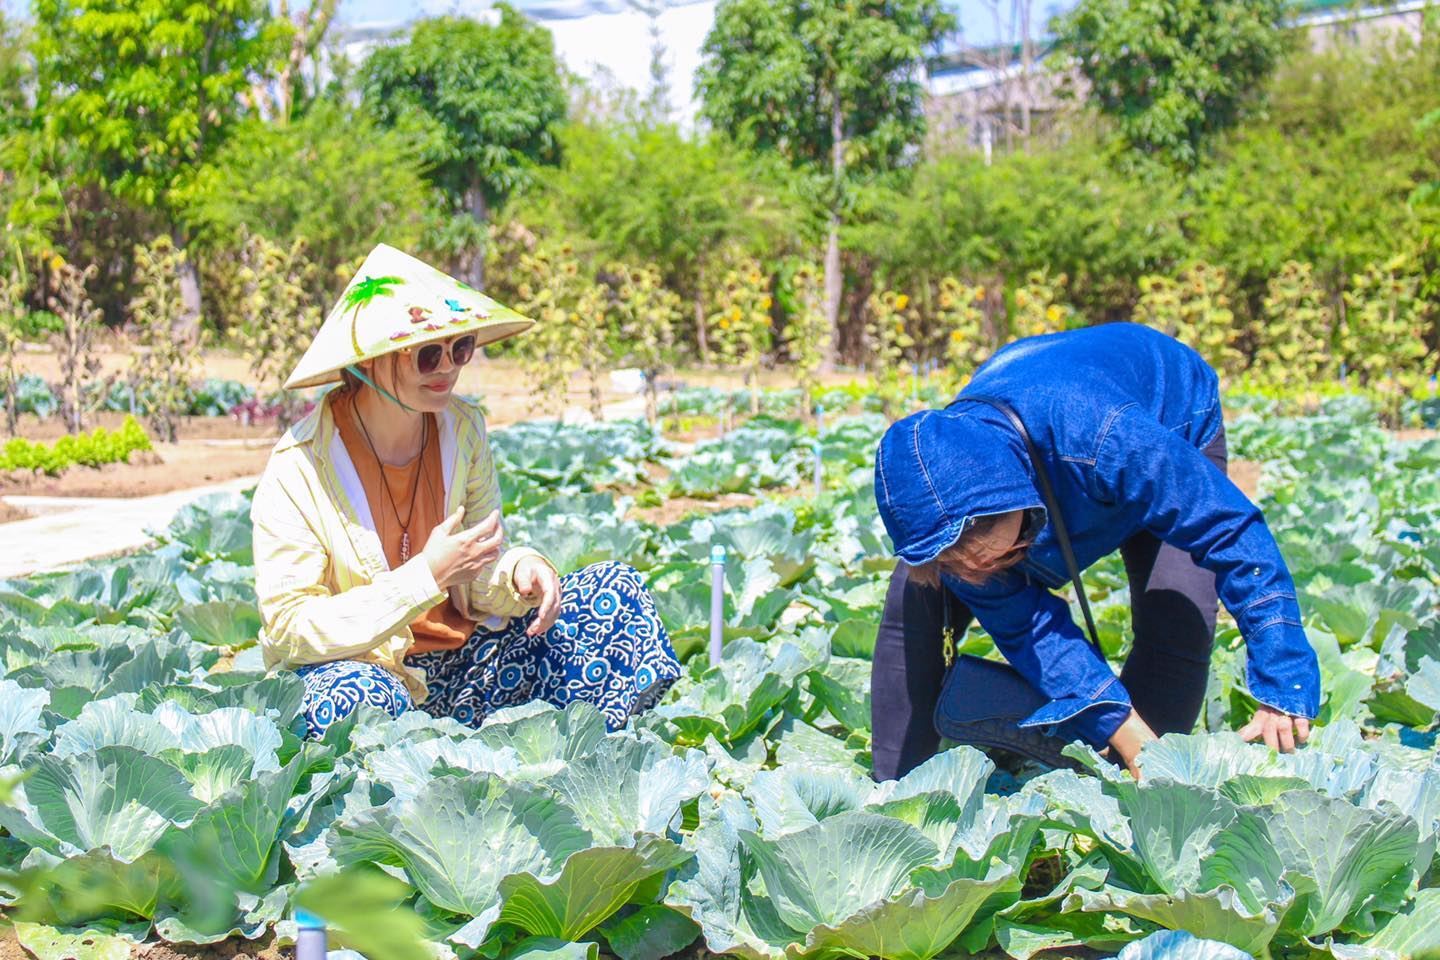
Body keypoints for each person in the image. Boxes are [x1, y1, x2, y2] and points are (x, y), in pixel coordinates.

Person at [251, 243, 680, 739]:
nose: (448, 370)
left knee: (616, 591)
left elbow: (478, 566)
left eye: (460, 349)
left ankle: (582, 766)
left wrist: (519, 569)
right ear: (367, 364)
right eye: (428, 355)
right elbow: (289, 625)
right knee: (350, 699)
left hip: (470, 669)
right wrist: (423, 578)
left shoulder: (463, 429)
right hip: (375, 675)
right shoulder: (300, 466)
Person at [870, 323, 1321, 780]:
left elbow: (1230, 531)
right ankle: (895, 788)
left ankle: (1148, 805)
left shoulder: (1111, 438)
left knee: (1178, 613)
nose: (970, 566)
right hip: (1057, 424)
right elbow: (1033, 633)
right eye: (952, 557)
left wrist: (1283, 679)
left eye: (980, 553)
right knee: (917, 600)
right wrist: (1124, 731)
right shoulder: (949, 495)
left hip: (1167, 418)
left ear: (1013, 497)